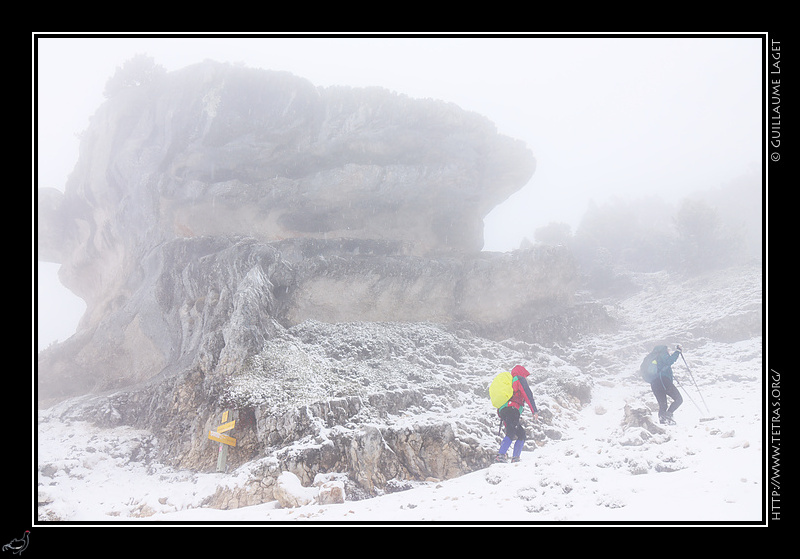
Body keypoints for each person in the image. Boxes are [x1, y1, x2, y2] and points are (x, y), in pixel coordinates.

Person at [496, 365, 538, 463]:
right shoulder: (519, 378)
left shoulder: (510, 383)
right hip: (512, 409)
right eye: (525, 375)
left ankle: (515, 458)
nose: (526, 378)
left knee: (521, 434)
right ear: (522, 372)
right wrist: (534, 410)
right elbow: (527, 394)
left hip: (504, 410)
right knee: (511, 431)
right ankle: (501, 455)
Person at [651, 345, 683, 424]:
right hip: (664, 382)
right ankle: (668, 416)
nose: (668, 351)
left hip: (655, 384)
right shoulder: (662, 354)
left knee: (663, 405)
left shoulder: (654, 359)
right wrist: (677, 351)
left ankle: (663, 422)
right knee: (678, 399)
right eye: (668, 349)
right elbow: (669, 361)